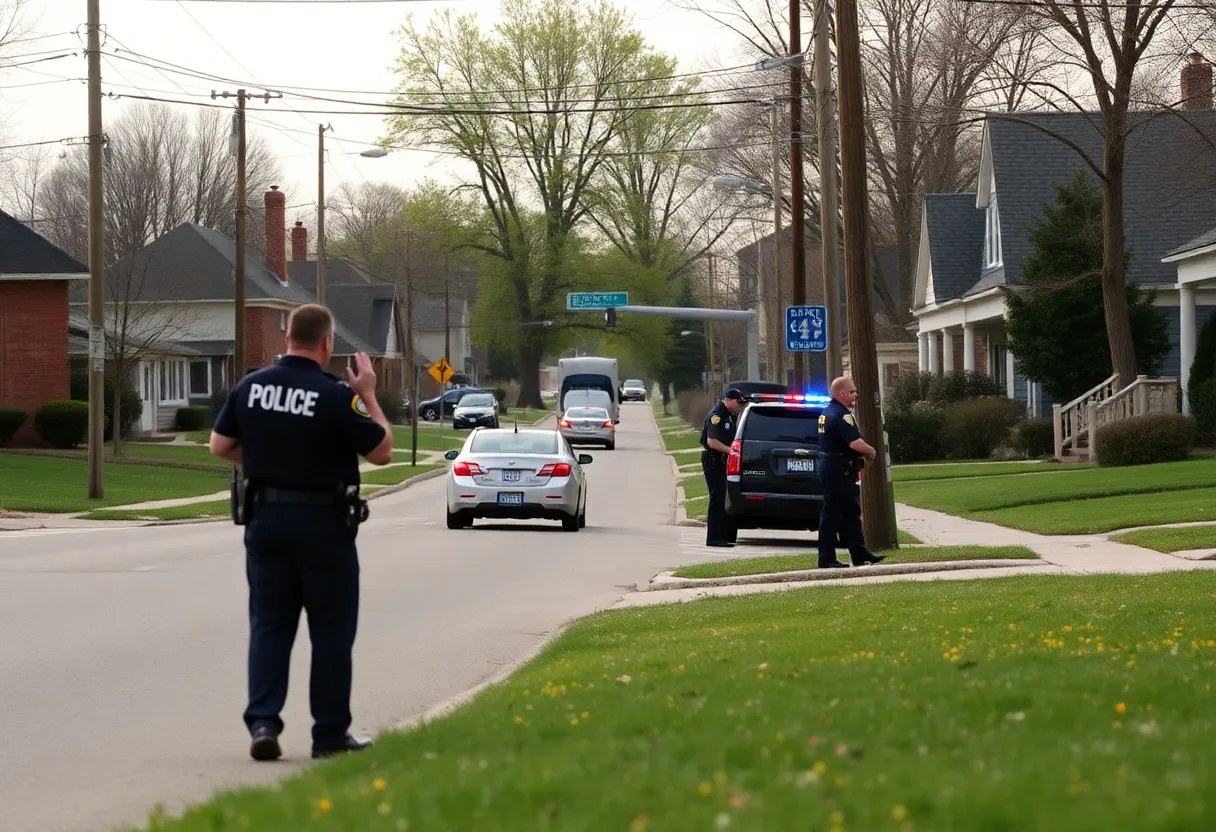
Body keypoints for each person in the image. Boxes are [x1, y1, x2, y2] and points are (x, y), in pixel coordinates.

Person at [209, 304, 394, 762]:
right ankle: (329, 735)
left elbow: (220, 446)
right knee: (331, 629)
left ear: (288, 336)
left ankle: (264, 723)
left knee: (270, 625)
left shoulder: (250, 387)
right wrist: (368, 394)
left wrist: (269, 461)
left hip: (265, 521)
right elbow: (382, 452)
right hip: (323, 525)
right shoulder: (334, 394)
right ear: (327, 343)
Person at [816, 376, 885, 569]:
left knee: (850, 513)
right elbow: (854, 442)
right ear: (843, 393)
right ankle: (826, 558)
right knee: (832, 513)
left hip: (835, 467)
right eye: (853, 391)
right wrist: (871, 451)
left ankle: (860, 554)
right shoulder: (841, 415)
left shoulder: (827, 412)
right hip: (839, 469)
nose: (855, 395)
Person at [700, 388, 746, 548]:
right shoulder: (718, 415)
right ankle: (714, 538)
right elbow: (712, 441)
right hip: (713, 460)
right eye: (738, 402)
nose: (740, 406)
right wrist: (731, 451)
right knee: (717, 499)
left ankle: (721, 535)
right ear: (729, 399)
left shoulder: (727, 414)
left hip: (720, 460)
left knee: (721, 498)